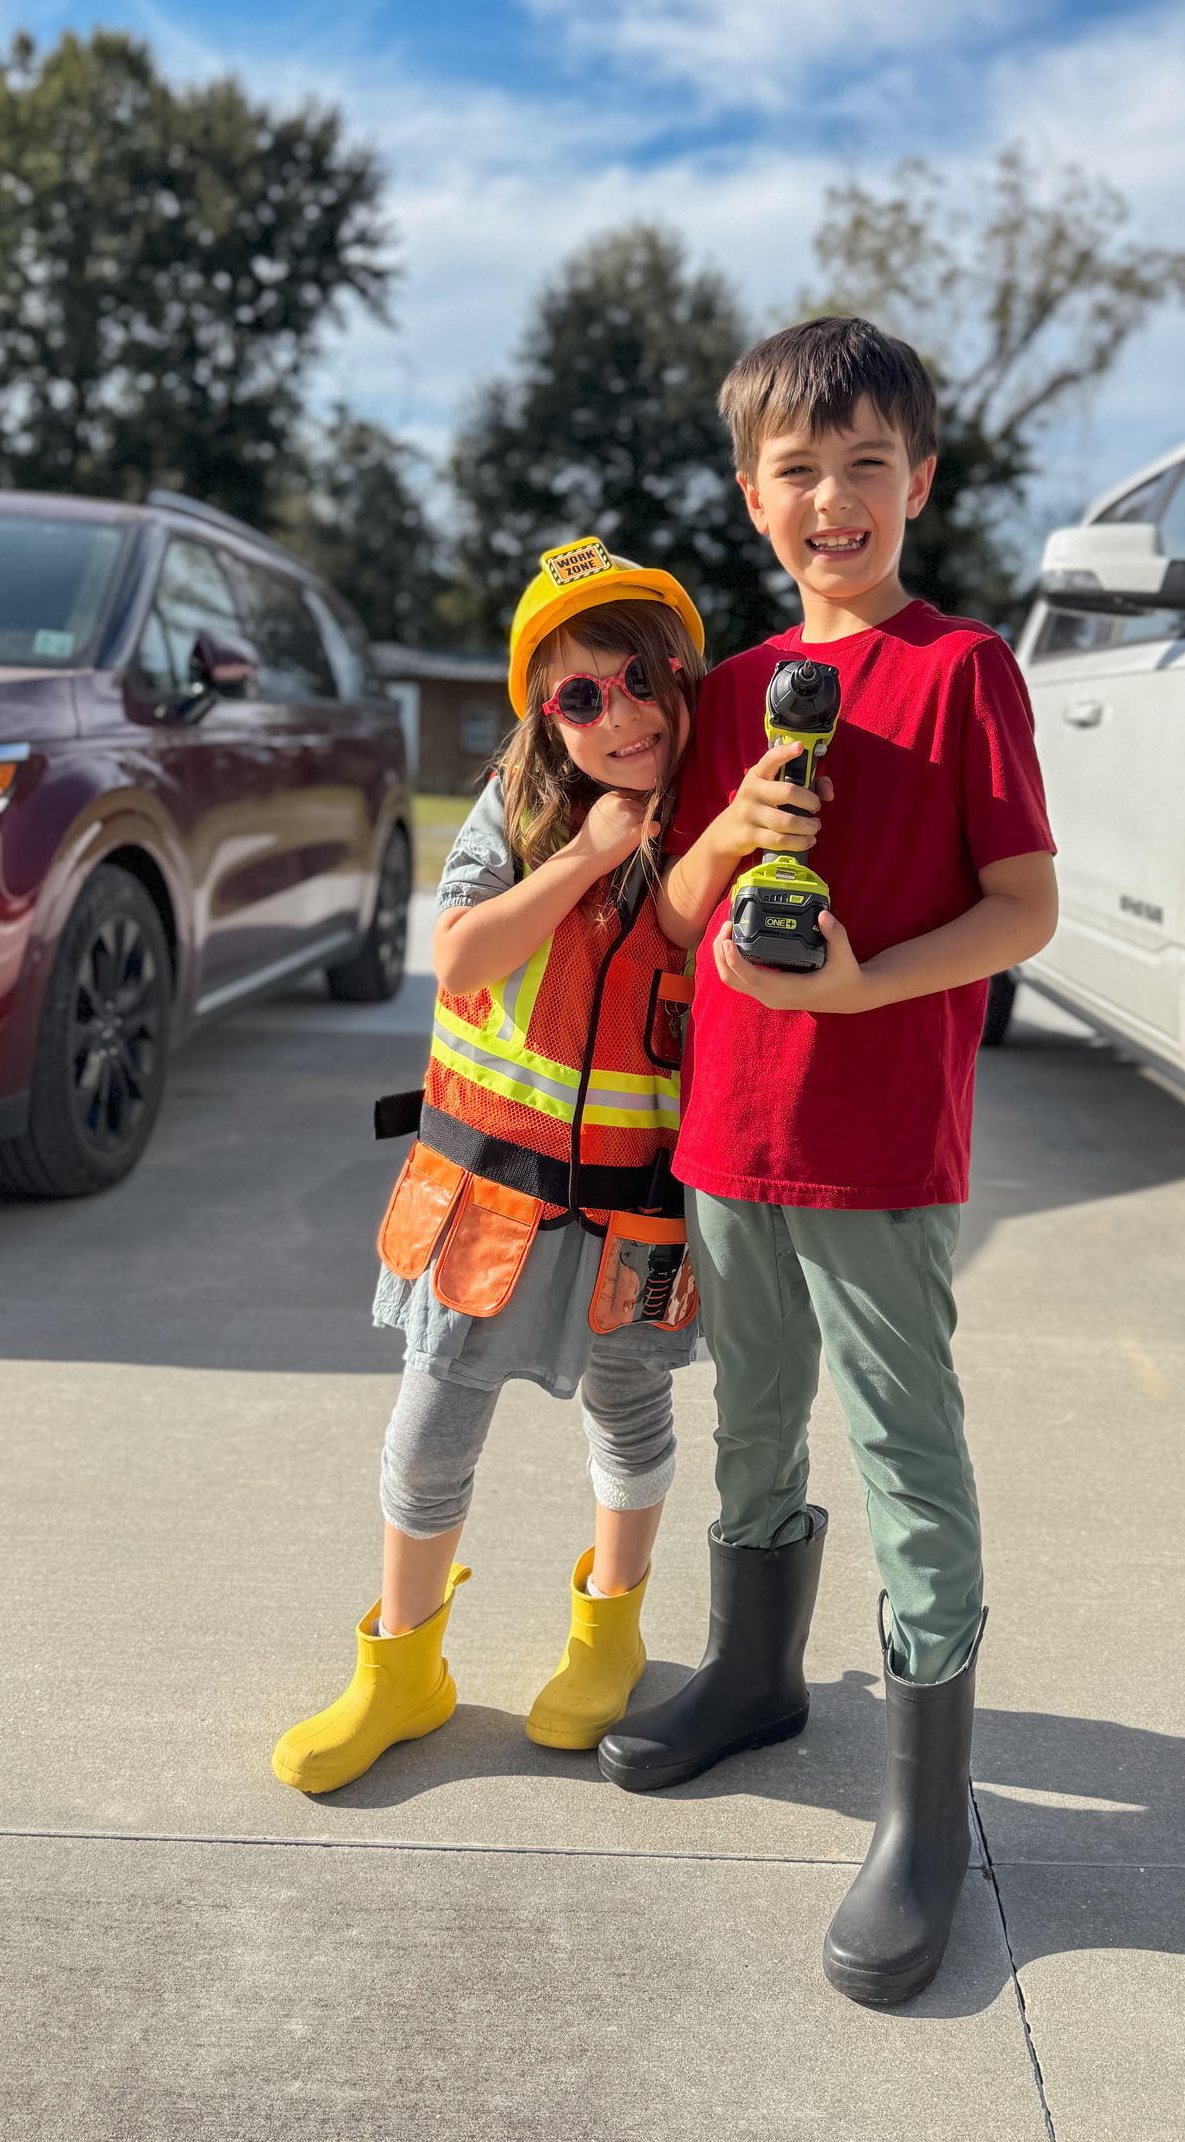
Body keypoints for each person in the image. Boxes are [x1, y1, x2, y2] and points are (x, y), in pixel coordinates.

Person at [597, 317, 1060, 2007]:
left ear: (918, 483)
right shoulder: (727, 698)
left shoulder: (962, 671)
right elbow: (667, 916)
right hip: (733, 1141)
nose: (835, 498)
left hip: (877, 1153)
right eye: (800, 470)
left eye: (869, 466)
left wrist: (868, 979)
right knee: (754, 1419)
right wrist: (726, 834)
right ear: (751, 495)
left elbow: (1025, 909)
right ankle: (751, 1673)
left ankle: (926, 1819)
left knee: (905, 1457)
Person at [273, 542, 709, 1793]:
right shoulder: (515, 811)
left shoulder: (721, 808)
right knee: (428, 1434)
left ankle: (608, 1643)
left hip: (635, 1211)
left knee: (631, 1419)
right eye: (577, 697)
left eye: (637, 678)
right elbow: (461, 958)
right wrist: (581, 858)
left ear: (681, 677)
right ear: (540, 715)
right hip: (493, 1204)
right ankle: (403, 1672)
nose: (615, 714)